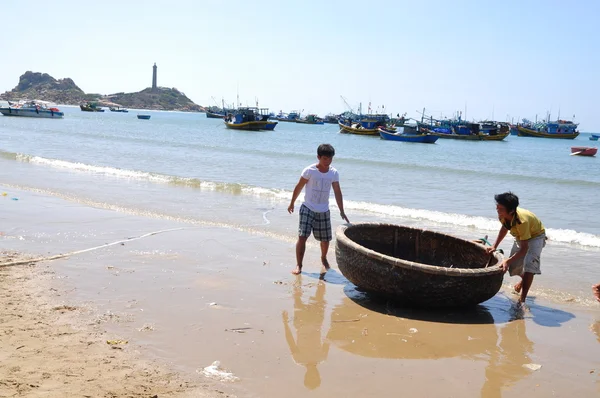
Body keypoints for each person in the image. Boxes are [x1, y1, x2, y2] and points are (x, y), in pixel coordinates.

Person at [288, 144, 349, 275]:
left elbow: (337, 192)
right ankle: (299, 265)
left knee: (325, 239)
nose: (328, 162)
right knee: (302, 236)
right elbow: (298, 187)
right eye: (325, 159)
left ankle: (324, 258)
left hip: (323, 210)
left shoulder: (333, 173)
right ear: (318, 157)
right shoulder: (309, 171)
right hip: (308, 208)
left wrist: (342, 210)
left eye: (330, 159)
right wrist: (292, 203)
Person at [485, 192, 546, 305]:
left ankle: (522, 299)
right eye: (497, 206)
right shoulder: (502, 215)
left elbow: (524, 249)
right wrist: (494, 246)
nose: (497, 210)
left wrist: (507, 260)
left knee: (529, 266)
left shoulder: (522, 221)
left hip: (536, 236)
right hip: (521, 236)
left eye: (501, 208)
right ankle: (524, 280)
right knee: (513, 267)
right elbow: (504, 228)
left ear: (512, 210)